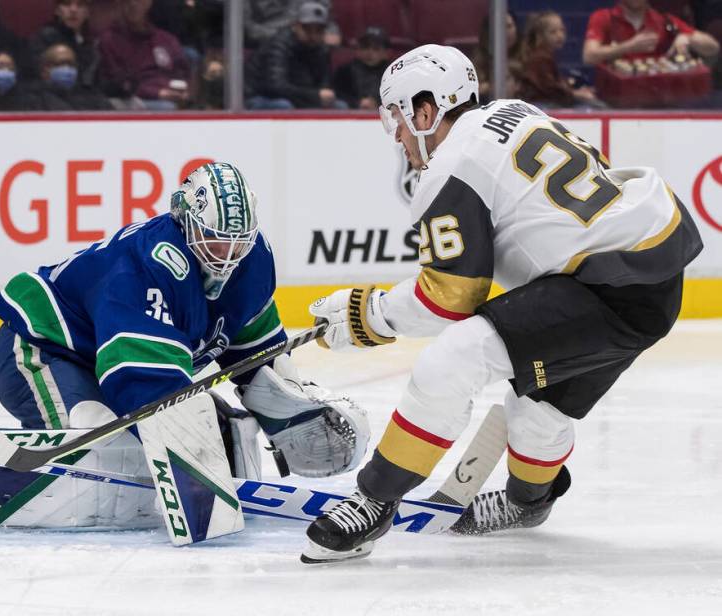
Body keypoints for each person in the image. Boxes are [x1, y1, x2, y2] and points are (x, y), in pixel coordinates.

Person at [300, 44, 703, 564]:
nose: (397, 134)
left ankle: (374, 500)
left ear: (425, 111)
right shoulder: (515, 112)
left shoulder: (450, 166)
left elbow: (451, 297)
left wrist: (367, 314)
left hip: (603, 285)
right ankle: (528, 502)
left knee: (454, 359)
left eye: (397, 118)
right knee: (538, 406)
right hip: (652, 279)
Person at [0, 162, 371, 535]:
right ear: (186, 223)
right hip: (40, 354)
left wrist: (284, 410)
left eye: (238, 242)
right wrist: (186, 443)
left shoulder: (252, 257)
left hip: (108, 359)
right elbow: (141, 385)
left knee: (219, 429)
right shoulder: (145, 264)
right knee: (94, 439)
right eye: (215, 240)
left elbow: (252, 352)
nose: (228, 255)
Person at [245, 1, 344, 110]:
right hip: (260, 97)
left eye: (319, 30)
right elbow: (276, 87)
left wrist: (324, 96)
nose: (313, 35)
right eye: (307, 29)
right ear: (295, 26)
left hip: (297, 96)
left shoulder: (322, 49)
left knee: (340, 106)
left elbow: (325, 85)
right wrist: (314, 96)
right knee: (284, 106)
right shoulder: (279, 45)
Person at [97, 0, 192, 110]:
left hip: (172, 97)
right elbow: (119, 84)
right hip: (136, 102)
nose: (133, 3)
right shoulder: (108, 40)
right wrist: (157, 93)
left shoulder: (166, 39)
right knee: (167, 108)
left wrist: (186, 91)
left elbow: (184, 73)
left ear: (149, 2)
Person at [583, 0, 719, 67]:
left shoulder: (664, 20)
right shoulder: (603, 17)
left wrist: (687, 38)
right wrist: (628, 47)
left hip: (658, 98)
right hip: (615, 99)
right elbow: (589, 56)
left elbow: (712, 48)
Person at [517, 11, 603, 109]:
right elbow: (549, 89)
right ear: (540, 36)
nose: (560, 35)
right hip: (541, 104)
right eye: (553, 32)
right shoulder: (539, 59)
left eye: (562, 30)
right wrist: (576, 94)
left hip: (550, 101)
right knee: (593, 106)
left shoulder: (546, 57)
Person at [28, 0, 99, 86]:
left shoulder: (91, 43)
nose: (73, 10)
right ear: (57, 10)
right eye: (67, 4)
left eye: (80, 5)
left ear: (87, 12)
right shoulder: (44, 39)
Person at [24, 43, 113, 111]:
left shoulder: (93, 97)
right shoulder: (33, 100)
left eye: (71, 64)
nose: (67, 69)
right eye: (61, 64)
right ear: (44, 69)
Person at [332, 26, 391, 110]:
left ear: (386, 53)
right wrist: (358, 103)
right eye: (365, 47)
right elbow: (338, 94)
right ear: (358, 49)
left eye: (376, 48)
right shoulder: (345, 71)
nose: (369, 52)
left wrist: (377, 103)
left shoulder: (391, 74)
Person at [471, 11, 521, 101]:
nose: (506, 32)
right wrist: (489, 87)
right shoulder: (479, 59)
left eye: (509, 26)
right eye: (501, 27)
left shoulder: (526, 55)